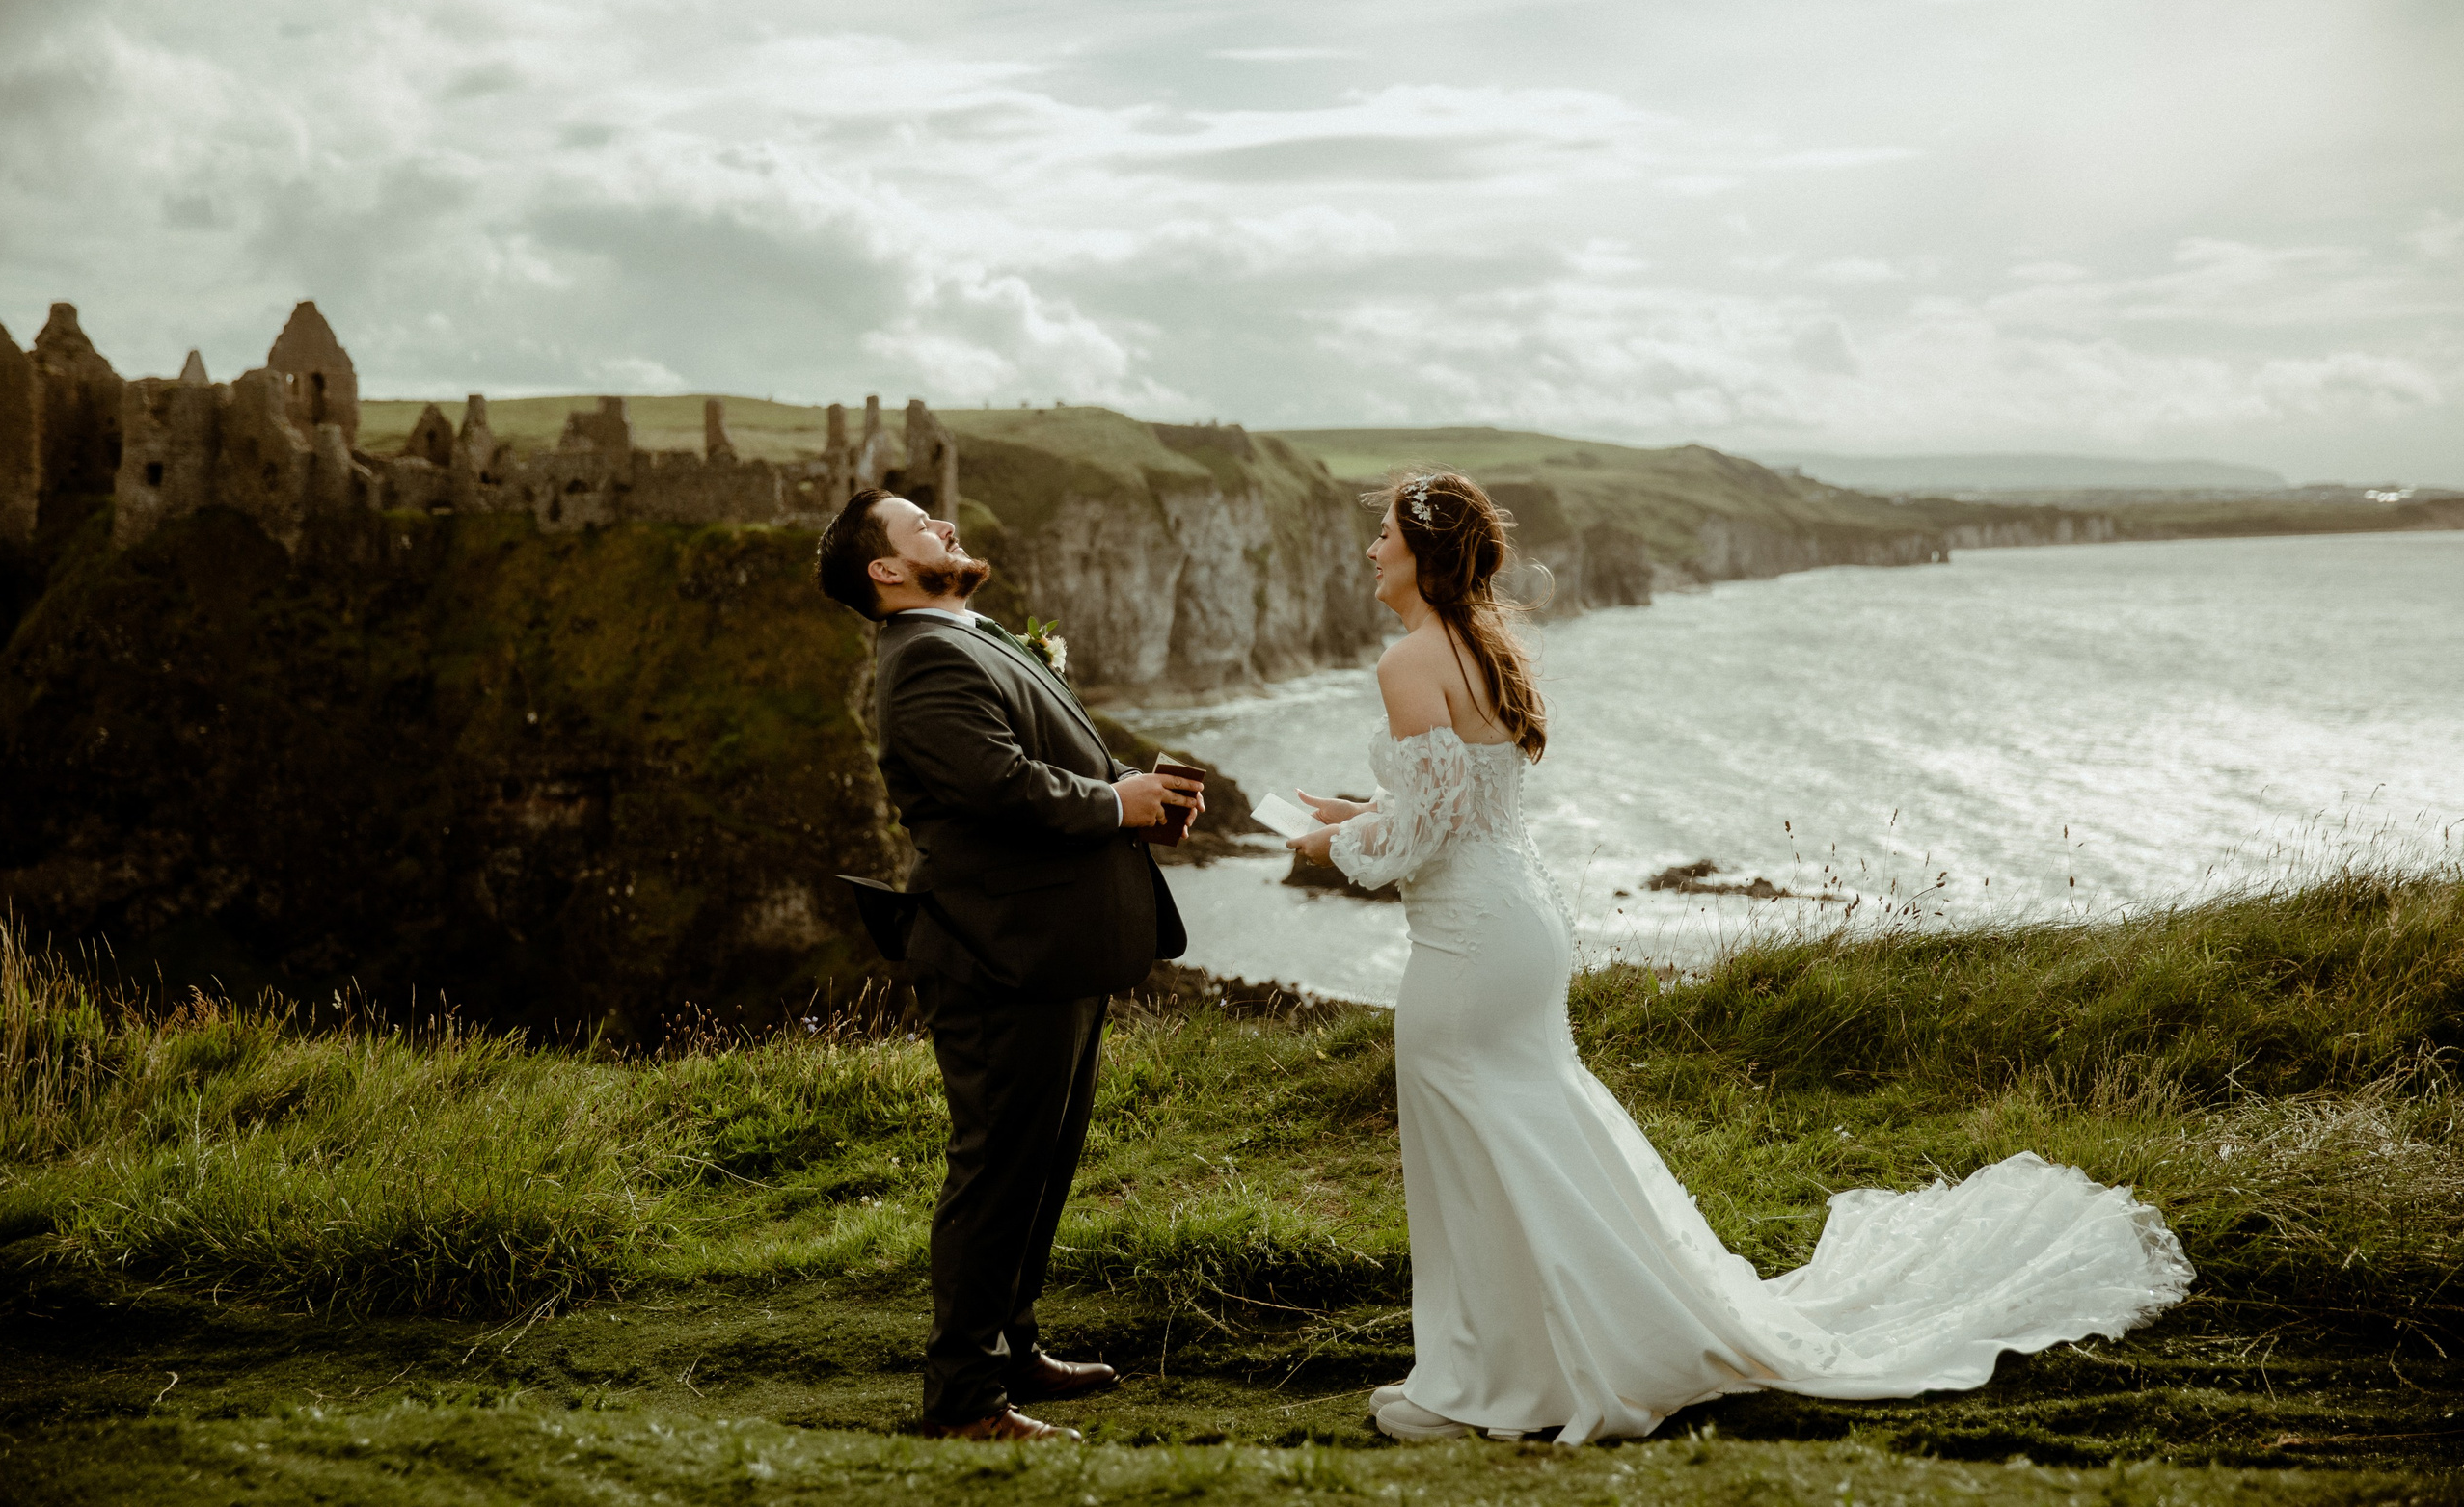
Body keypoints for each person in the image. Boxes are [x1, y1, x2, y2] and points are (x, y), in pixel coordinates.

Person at [1286, 470, 2193, 1444]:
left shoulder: (1407, 663)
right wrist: (1371, 816)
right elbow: (1459, 811)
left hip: (1467, 944)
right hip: (1518, 923)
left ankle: (1484, 1382)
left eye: (1383, 534)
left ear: (1422, 553)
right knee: (1535, 1134)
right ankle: (1512, 1362)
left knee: (1473, 1150)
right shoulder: (1485, 645)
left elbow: (1422, 840)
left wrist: (1326, 846)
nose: (1371, 551)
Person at [816, 488, 1205, 1442]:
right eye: (921, 527)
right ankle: (964, 1399)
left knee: (1042, 1167)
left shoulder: (966, 633)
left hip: (1050, 946)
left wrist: (1141, 797)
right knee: (997, 1173)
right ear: (885, 568)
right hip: (1002, 952)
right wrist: (1119, 803)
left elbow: (1042, 754)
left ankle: (1011, 1350)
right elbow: (997, 785)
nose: (945, 526)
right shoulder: (923, 660)